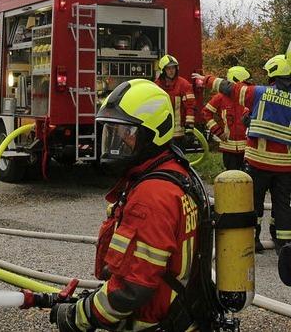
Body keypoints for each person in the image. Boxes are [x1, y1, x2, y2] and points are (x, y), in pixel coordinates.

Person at [50, 79, 206, 331]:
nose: (116, 143)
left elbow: (132, 288)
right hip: (180, 313)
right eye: (113, 132)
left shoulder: (151, 196)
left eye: (126, 134)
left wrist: (80, 314)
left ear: (152, 135)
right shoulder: (175, 172)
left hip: (154, 322)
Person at [193, 54, 291, 259]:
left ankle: (252, 240)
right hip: (285, 166)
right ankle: (284, 245)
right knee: (282, 205)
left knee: (253, 202)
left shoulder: (260, 93)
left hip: (259, 162)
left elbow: (232, 89)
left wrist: (208, 79)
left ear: (273, 74)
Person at [201, 66, 251, 171]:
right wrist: (218, 131)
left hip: (248, 148)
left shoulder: (249, 96)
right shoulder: (220, 97)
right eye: (244, 82)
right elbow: (206, 112)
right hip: (228, 148)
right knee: (231, 179)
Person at [154, 55, 196, 146]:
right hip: (161, 133)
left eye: (173, 68)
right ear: (163, 70)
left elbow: (190, 107)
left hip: (178, 134)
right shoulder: (156, 86)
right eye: (168, 68)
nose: (171, 71)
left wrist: (189, 130)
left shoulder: (184, 85)